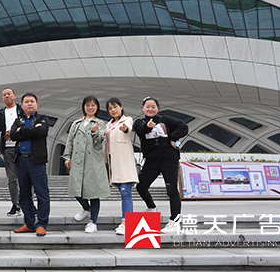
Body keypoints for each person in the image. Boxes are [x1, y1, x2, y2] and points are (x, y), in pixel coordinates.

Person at [133, 96, 189, 234]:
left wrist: (172, 138)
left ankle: (175, 220)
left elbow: (184, 127)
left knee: (172, 190)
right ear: (143, 108)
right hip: (151, 161)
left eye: (153, 107)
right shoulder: (139, 122)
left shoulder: (166, 120)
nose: (150, 109)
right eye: (147, 107)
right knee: (141, 186)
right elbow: (140, 130)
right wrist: (148, 126)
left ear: (158, 109)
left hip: (169, 160)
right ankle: (151, 208)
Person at [62, 96, 109, 233]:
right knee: (75, 189)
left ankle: (93, 222)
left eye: (93, 105)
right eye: (87, 105)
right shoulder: (76, 123)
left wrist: (95, 132)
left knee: (94, 193)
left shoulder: (100, 123)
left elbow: (101, 139)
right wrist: (67, 157)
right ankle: (86, 208)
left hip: (93, 162)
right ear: (83, 107)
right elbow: (69, 141)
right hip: (77, 161)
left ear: (97, 107)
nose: (90, 108)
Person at [10, 93, 50, 237]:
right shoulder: (18, 120)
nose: (29, 104)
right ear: (22, 105)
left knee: (42, 194)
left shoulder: (42, 119)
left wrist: (22, 130)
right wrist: (31, 131)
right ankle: (29, 223)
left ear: (37, 104)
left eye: (32, 101)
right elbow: (13, 135)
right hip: (21, 160)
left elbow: (40, 131)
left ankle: (42, 224)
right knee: (24, 194)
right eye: (26, 102)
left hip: (36, 161)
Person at [104, 97, 138, 235]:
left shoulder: (127, 120)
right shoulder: (108, 124)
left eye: (115, 107)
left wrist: (124, 128)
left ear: (121, 107)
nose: (113, 110)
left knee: (125, 193)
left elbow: (127, 128)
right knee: (123, 192)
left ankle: (126, 223)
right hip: (113, 164)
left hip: (124, 163)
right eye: (110, 108)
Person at [0, 87, 23, 216]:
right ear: (2, 98)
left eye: (9, 94)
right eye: (4, 95)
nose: (7, 96)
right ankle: (15, 205)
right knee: (12, 179)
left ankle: (28, 204)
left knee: (25, 178)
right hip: (8, 149)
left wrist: (14, 132)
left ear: (14, 96)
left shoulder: (21, 110)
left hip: (22, 147)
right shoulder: (1, 113)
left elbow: (27, 125)